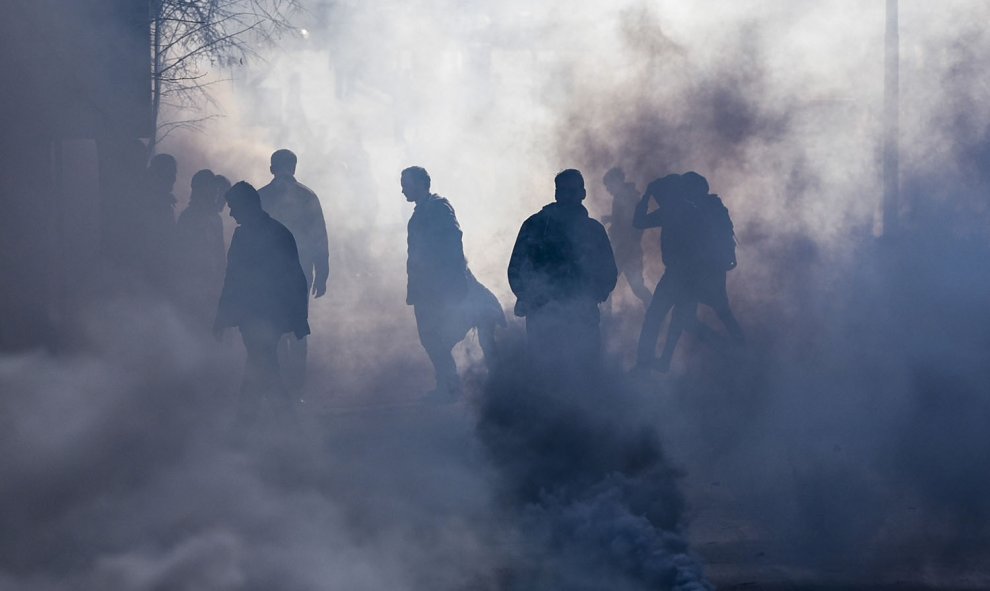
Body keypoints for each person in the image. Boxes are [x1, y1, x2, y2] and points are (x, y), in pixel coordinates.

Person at [402, 166, 505, 402]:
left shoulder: (438, 207)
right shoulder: (421, 212)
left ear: (421, 183)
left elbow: (453, 242)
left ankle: (483, 384)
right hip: (432, 288)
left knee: (444, 335)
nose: (402, 190)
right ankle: (451, 386)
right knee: (433, 337)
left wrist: (453, 282)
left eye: (406, 184)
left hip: (446, 287)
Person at [214, 182, 310, 417]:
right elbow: (234, 277)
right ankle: (258, 426)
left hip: (264, 315)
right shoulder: (272, 231)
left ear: (246, 206)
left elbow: (293, 277)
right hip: (258, 315)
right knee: (261, 366)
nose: (231, 212)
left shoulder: (272, 233)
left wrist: (297, 316)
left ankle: (266, 425)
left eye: (233, 206)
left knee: (262, 365)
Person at [634, 172, 743, 372]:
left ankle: (645, 364)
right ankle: (738, 348)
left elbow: (639, 222)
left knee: (657, 316)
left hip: (681, 273)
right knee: (687, 318)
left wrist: (648, 194)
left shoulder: (679, 209)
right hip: (701, 274)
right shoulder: (710, 209)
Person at [508, 169, 617, 366]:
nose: (567, 196)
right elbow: (516, 267)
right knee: (543, 375)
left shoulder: (593, 230)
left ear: (583, 193)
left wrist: (590, 297)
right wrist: (532, 298)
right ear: (556, 193)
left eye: (572, 191)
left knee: (585, 373)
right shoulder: (536, 226)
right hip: (542, 316)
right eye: (563, 191)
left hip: (582, 316)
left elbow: (608, 272)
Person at [258, 149, 330, 396]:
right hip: (299, 271)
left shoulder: (261, 196)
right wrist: (322, 271)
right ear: (295, 167)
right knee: (298, 326)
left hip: (268, 273)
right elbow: (319, 235)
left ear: (271, 168)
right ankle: (296, 388)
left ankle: (276, 386)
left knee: (271, 327)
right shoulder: (307, 196)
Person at [175, 169, 226, 329]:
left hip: (210, 279)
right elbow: (181, 252)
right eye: (207, 188)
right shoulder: (189, 217)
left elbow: (219, 252)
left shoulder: (214, 218)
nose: (213, 193)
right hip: (192, 280)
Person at [602, 167, 652, 305]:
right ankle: (655, 310)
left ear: (617, 181)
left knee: (607, 283)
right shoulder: (626, 195)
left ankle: (606, 319)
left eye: (609, 185)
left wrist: (620, 247)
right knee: (637, 287)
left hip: (626, 248)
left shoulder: (625, 196)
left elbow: (629, 223)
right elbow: (627, 219)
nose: (608, 189)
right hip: (627, 248)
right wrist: (611, 218)